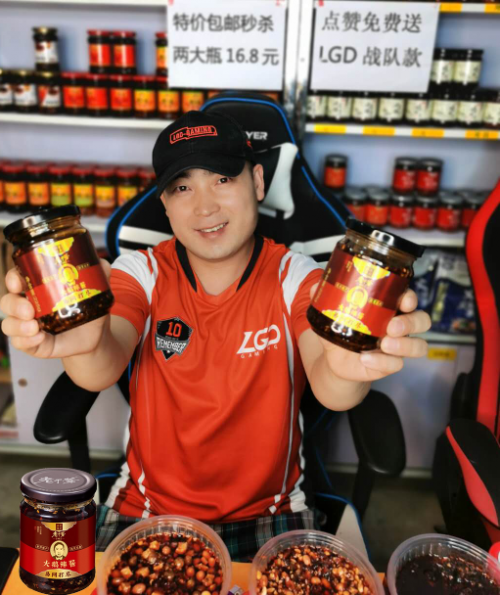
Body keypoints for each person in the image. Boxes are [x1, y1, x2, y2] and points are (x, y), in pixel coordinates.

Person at [1, 111, 431, 560]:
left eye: (222, 179)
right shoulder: (141, 272)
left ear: (258, 182)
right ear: (164, 204)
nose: (203, 207)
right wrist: (83, 344)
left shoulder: (296, 276)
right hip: (146, 510)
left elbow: (331, 382)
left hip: (271, 514)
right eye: (182, 188)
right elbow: (100, 366)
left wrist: (348, 370)